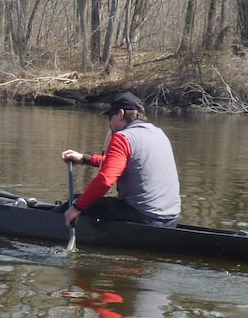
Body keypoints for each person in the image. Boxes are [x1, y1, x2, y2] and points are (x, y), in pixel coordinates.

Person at [62, 91, 180, 229]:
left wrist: (77, 207)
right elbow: (125, 163)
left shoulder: (123, 137)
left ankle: (42, 221)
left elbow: (106, 181)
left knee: (75, 200)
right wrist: (85, 159)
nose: (109, 124)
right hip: (171, 219)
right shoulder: (159, 133)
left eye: (110, 117)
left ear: (120, 114)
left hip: (143, 218)